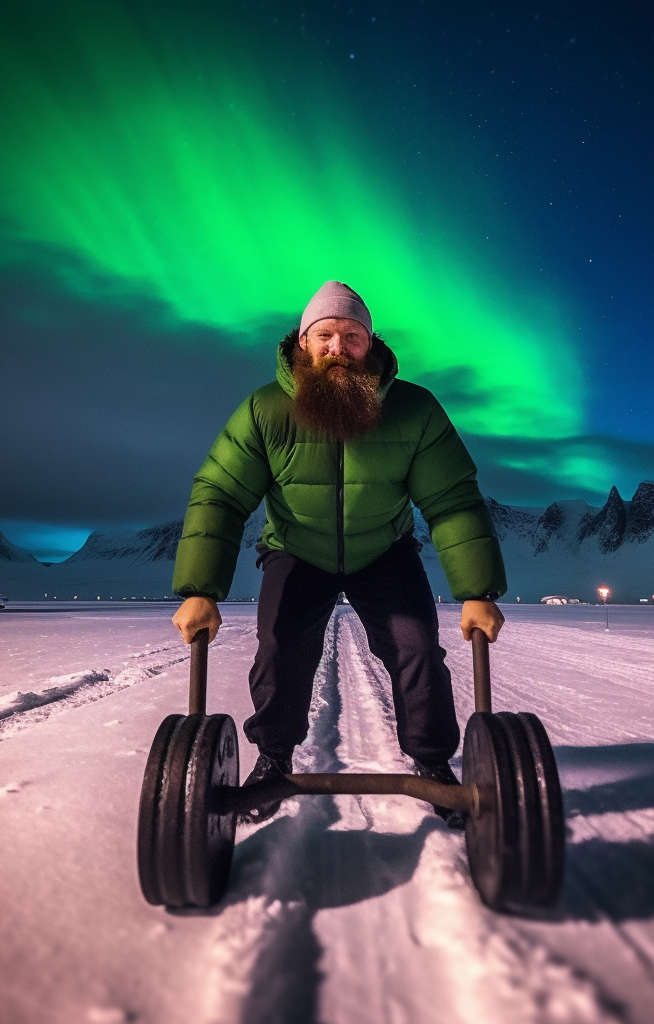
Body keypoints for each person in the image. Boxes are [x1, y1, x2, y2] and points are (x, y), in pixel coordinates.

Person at [171, 281, 506, 826]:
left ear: (370, 344)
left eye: (351, 336)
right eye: (324, 334)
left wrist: (477, 592)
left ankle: (432, 764)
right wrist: (200, 591)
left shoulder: (414, 410)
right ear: (302, 343)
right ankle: (274, 758)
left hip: (385, 551)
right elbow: (221, 495)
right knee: (280, 648)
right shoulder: (264, 411)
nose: (337, 347)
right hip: (296, 552)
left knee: (417, 649)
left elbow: (452, 501)